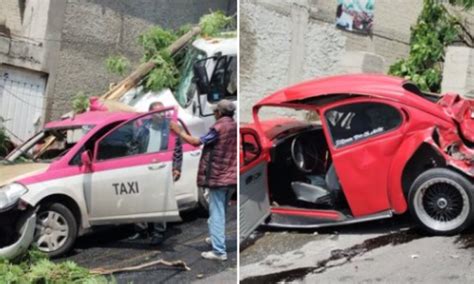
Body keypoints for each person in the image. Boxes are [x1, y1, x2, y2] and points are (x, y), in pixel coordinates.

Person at [170, 99, 237, 261]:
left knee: (217, 214)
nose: (214, 114)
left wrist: (178, 131)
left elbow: (196, 142)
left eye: (215, 112)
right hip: (231, 177)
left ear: (219, 113)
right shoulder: (234, 126)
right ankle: (216, 239)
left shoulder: (219, 128)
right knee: (220, 211)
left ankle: (219, 251)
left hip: (219, 178)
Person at [129, 101, 182, 244]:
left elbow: (177, 150)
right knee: (139, 200)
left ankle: (158, 232)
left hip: (159, 168)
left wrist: (177, 167)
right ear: (151, 114)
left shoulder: (169, 129)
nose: (162, 115)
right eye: (159, 112)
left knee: (158, 201)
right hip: (142, 169)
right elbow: (133, 147)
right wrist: (131, 166)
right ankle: (141, 230)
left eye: (164, 111)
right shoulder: (142, 129)